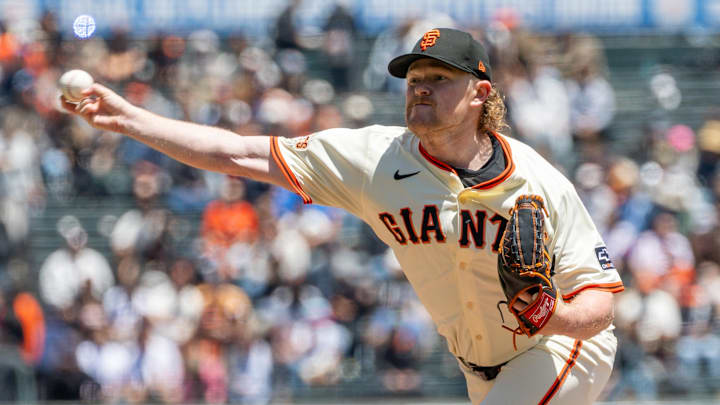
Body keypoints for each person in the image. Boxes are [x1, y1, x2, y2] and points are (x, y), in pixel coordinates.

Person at [60, 27, 624, 405]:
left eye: (438, 80)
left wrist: (553, 318)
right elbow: (237, 152)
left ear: (480, 93)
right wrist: (132, 119)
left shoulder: (540, 182)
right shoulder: (375, 160)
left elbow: (601, 304)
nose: (420, 89)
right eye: (414, 79)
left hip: (558, 351)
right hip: (478, 370)